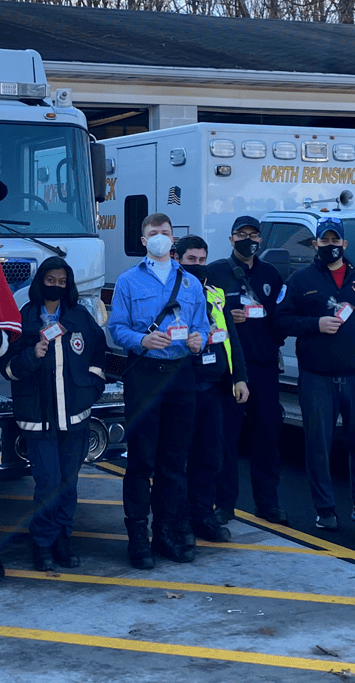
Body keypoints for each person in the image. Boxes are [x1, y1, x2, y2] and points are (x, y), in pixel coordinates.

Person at [275, 217, 355, 531]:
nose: (330, 246)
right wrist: (314, 324)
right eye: (324, 241)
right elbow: (281, 321)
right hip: (318, 378)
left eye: (335, 240)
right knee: (318, 445)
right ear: (315, 245)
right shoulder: (300, 281)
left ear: (344, 244)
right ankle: (325, 509)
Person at [109, 213, 210, 568]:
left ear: (174, 239)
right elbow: (116, 327)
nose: (160, 238)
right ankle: (137, 536)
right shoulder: (127, 281)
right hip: (146, 375)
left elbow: (203, 326)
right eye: (154, 233)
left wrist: (200, 339)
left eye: (166, 233)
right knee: (141, 460)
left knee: (173, 460)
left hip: (181, 375)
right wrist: (141, 339)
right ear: (143, 240)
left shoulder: (190, 283)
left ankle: (166, 532)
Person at [1, 257, 107, 570]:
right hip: (38, 417)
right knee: (47, 483)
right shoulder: (23, 319)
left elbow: (100, 357)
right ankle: (42, 545)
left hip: (75, 418)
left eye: (62, 281)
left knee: (68, 485)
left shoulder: (80, 317)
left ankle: (63, 541)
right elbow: (6, 366)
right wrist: (32, 356)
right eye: (51, 280)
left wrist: (92, 389)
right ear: (40, 282)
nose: (56, 286)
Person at [205, 214, 288, 525]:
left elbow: (281, 317)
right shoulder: (215, 273)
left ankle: (268, 503)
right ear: (231, 239)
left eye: (253, 235)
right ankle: (224, 505)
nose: (248, 240)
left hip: (264, 368)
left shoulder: (272, 274)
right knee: (226, 439)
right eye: (241, 234)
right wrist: (227, 318)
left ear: (261, 240)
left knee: (267, 436)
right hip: (227, 370)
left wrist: (268, 338)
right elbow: (204, 315)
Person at [175, 236, 248, 544]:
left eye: (202, 260)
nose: (198, 265)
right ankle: (178, 522)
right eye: (191, 260)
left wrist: (239, 377)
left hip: (214, 388)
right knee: (178, 459)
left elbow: (230, 338)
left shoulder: (214, 293)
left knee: (210, 457)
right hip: (181, 389)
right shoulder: (169, 292)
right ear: (177, 258)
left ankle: (204, 516)